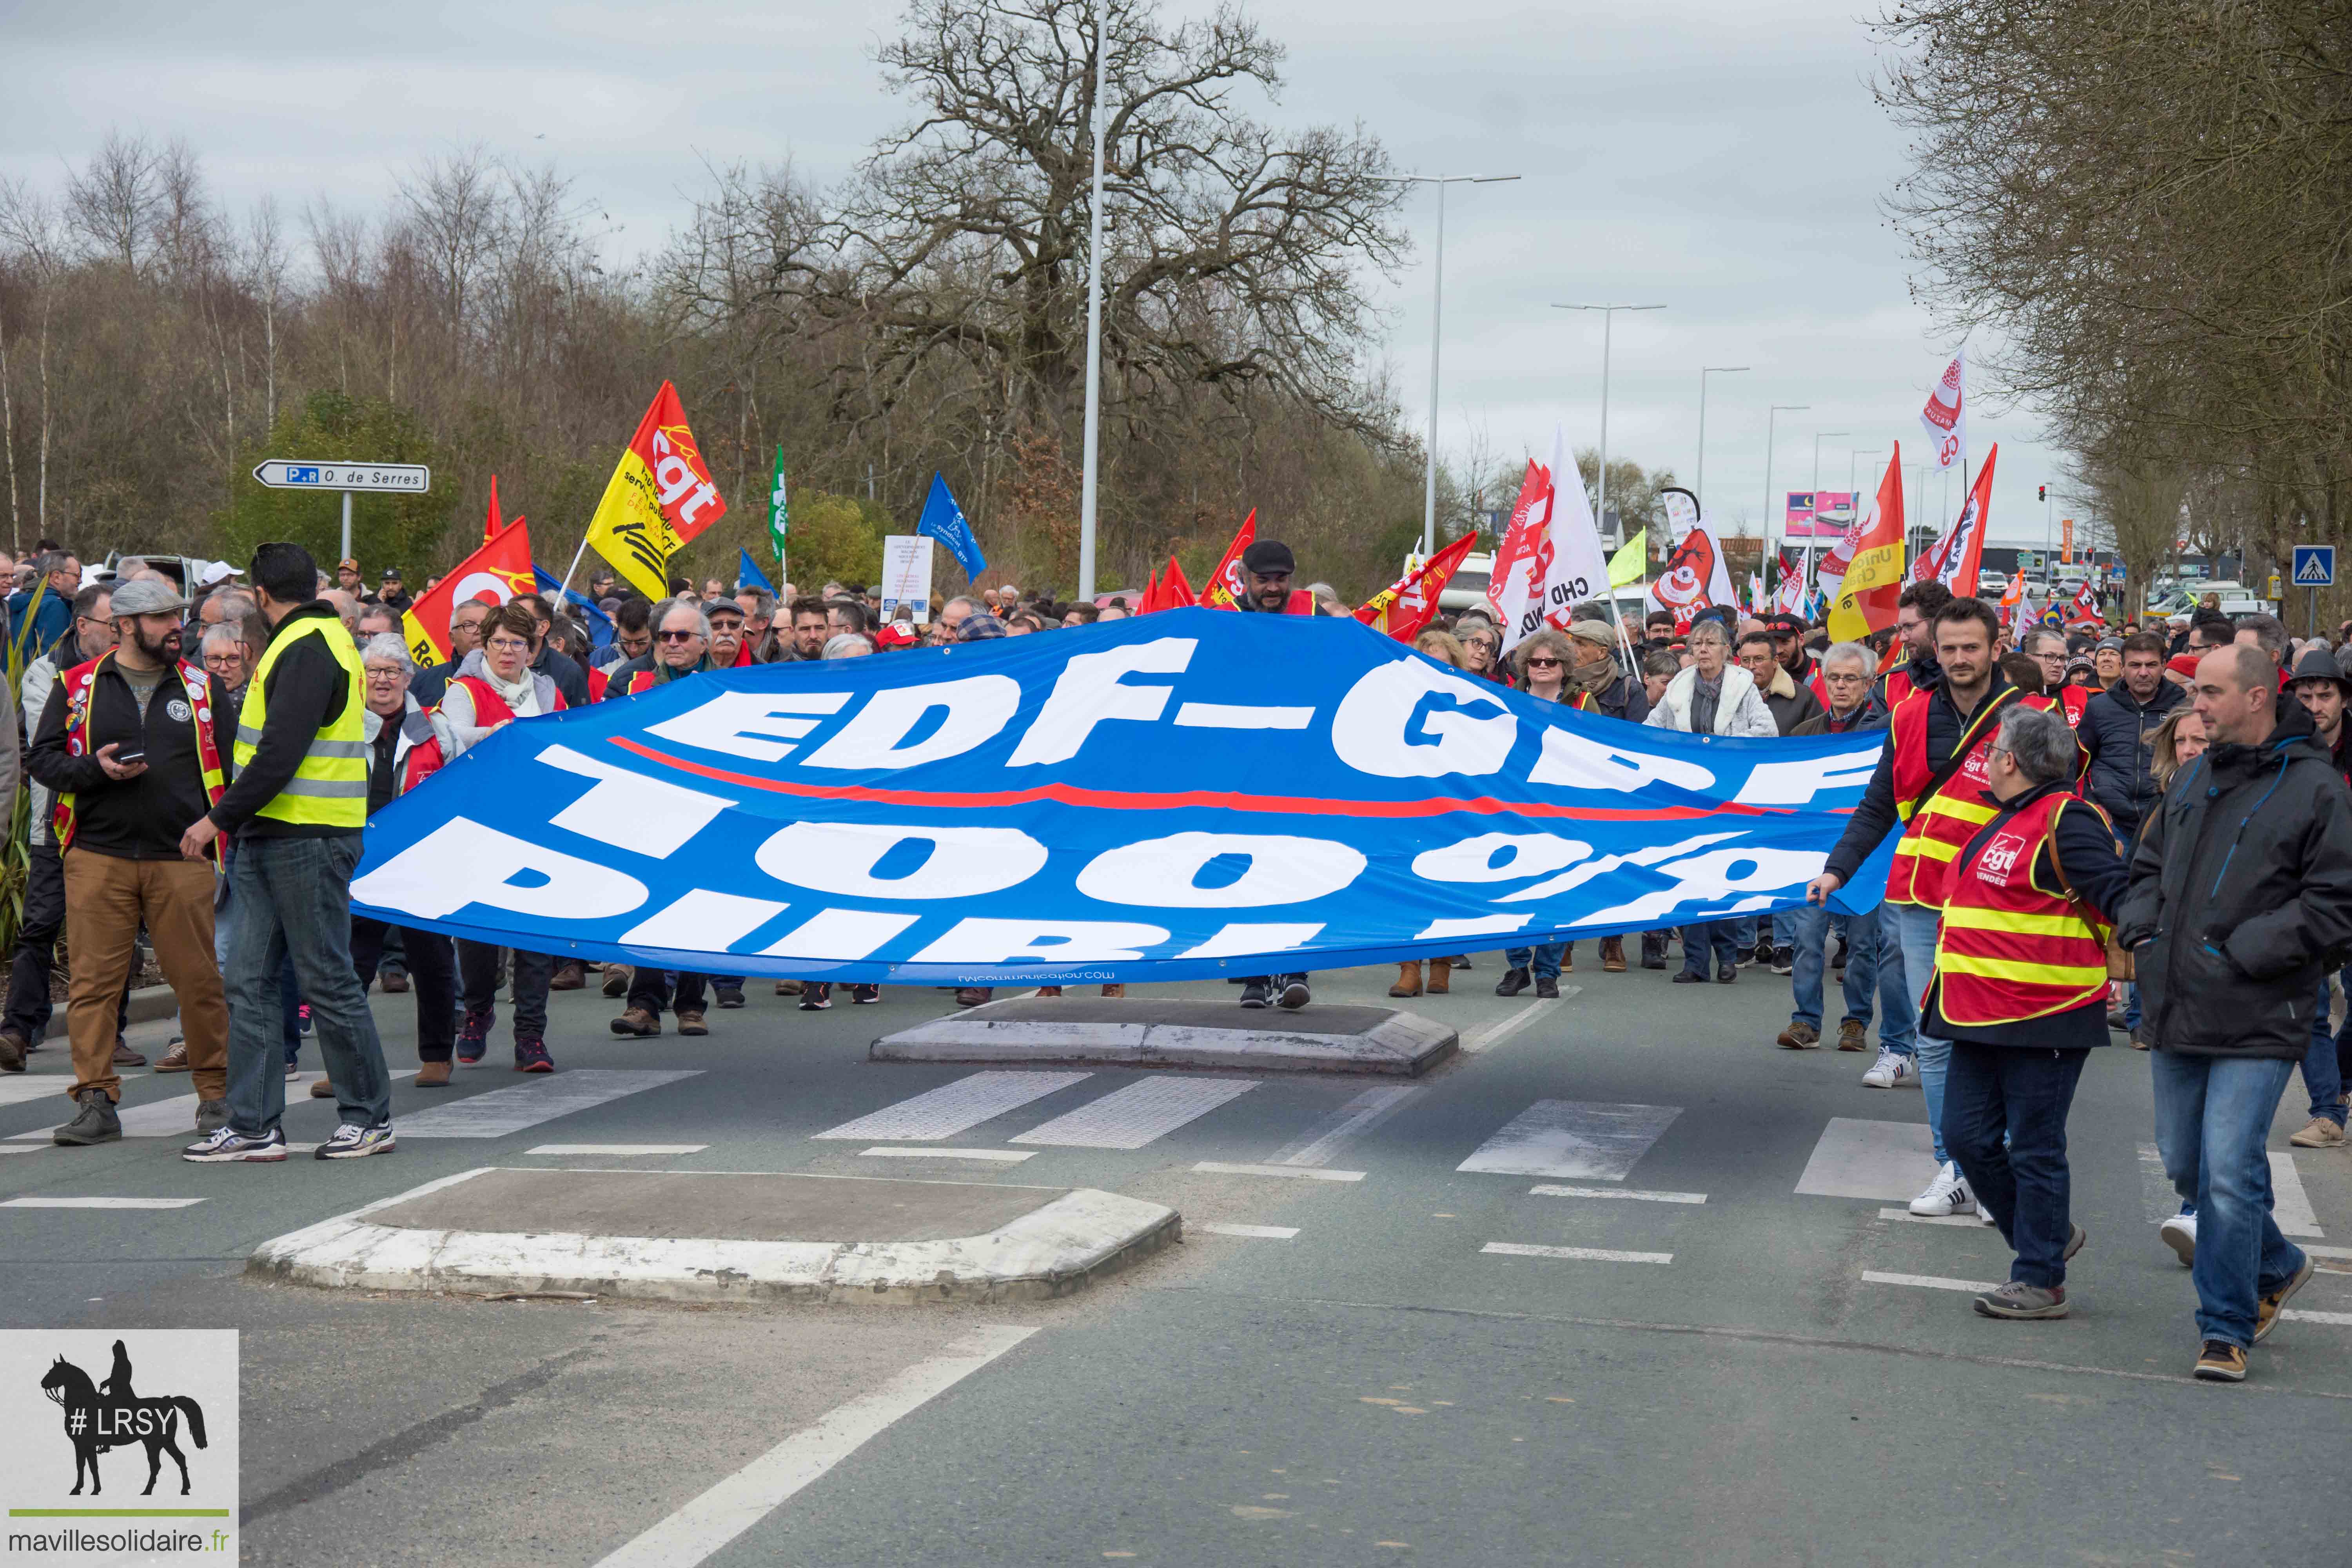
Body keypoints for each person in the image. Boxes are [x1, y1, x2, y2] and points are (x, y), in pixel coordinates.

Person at [2116, 643, 2352, 1381]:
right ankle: (2277, 1262)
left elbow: (2335, 905)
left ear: (2257, 697)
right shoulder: (2192, 775)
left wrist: (2245, 950)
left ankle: (2226, 1326)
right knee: (2188, 1164)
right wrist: (2145, 933)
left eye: (2212, 693)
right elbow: (2149, 867)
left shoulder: (2318, 788)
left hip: (2260, 1007)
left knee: (2228, 1168)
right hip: (2178, 1000)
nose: (2198, 706)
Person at [179, 541, 397, 1164]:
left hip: (306, 836)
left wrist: (216, 819)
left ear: (261, 594)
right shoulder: (311, 641)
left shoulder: (307, 647)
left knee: (325, 980)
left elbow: (281, 751)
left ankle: (367, 1116)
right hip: (277, 834)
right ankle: (253, 1124)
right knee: (247, 981)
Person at [1809, 596, 2022, 1217]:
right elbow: (1879, 803)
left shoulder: (2028, 717)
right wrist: (1838, 868)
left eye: (1971, 648)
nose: (1959, 658)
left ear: (1995, 648)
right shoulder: (1909, 714)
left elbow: (2053, 809)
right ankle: (1953, 1166)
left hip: (1999, 903)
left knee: (1993, 1037)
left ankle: (1993, 1165)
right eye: (1949, 647)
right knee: (1934, 1039)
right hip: (1919, 897)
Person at [1922, 704, 2126, 1319]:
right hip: (1977, 1012)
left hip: (2046, 1014)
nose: (1984, 760)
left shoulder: (2069, 819)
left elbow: (2120, 895)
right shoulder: (2008, 817)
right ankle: (2049, 1237)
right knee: (1965, 1137)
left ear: (2010, 760)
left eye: (1991, 751)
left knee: (2036, 1149)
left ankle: (2040, 1277)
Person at [26, 582, 231, 1142]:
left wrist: (214, 827)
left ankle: (215, 1097)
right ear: (122, 626)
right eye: (162, 618)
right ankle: (96, 1101)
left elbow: (234, 770)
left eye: (177, 616)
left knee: (199, 982)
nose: (177, 628)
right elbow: (41, 760)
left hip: (182, 857)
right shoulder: (76, 688)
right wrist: (93, 769)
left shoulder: (202, 687)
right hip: (97, 857)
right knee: (94, 984)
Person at [439, 604, 564, 1072]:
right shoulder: (465, 690)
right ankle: (477, 1010)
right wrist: (491, 735)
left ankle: (531, 1036)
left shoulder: (549, 695)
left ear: (532, 650)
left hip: (537, 828)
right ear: (483, 645)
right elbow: (446, 739)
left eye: (519, 643)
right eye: (499, 642)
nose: (509, 651)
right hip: (478, 826)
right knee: (476, 936)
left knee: (533, 935)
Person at [341, 635, 459, 1086]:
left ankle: (436, 1056)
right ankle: (347, 1063)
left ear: (408, 678)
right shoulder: (342, 726)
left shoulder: (436, 728)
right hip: (357, 858)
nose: (382, 680)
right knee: (350, 964)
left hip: (419, 863)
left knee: (431, 960)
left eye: (392, 671)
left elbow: (455, 793)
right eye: (373, 671)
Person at [0, 584, 107, 1072]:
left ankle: (116, 1032)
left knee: (114, 931)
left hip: (113, 824)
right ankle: (18, 1029)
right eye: (112, 625)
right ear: (83, 625)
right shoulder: (46, 671)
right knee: (39, 926)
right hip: (54, 822)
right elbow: (57, 740)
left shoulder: (134, 672)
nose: (119, 633)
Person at [1779, 642, 1903, 1055]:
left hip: (1866, 856)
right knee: (1807, 938)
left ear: (1869, 683)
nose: (1841, 686)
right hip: (1815, 856)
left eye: (1851, 678)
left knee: (1864, 945)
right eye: (1833, 677)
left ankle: (1855, 1022)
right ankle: (1805, 1020)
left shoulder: (1885, 731)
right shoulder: (1804, 735)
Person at [1646, 621, 1776, 984]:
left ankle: (1727, 958)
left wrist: (1718, 748)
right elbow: (1652, 729)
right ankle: (1694, 963)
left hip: (1730, 794)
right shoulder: (1679, 687)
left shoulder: (1744, 687)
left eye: (1711, 644)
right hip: (1687, 796)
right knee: (1690, 878)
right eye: (1697, 643)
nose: (1703, 650)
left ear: (1725, 650)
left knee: (1722, 876)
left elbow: (1767, 732)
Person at [2281, 645, 2352, 1148]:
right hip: (2301, 891)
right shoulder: (2282, 748)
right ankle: (2328, 1113)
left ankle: (2340, 1084)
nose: (2314, 704)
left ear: (2342, 698)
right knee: (2310, 1006)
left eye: (2324, 694)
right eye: (2305, 695)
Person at [603, 599, 710, 697]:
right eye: (666, 636)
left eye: (683, 636)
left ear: (703, 644)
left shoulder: (724, 680)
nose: (672, 643)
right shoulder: (635, 683)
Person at [1877, 580, 1951, 708]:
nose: (1902, 638)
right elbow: (1870, 727)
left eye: (1909, 627)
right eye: (1900, 629)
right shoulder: (1890, 683)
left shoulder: (1973, 677)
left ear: (1938, 623)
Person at [410, 598, 492, 708]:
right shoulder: (422, 682)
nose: (480, 631)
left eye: (486, 624)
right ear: (452, 639)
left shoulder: (515, 676)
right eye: (469, 625)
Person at [9, 549, 80, 664]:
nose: (80, 581)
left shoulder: (26, 600)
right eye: (77, 576)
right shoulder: (53, 606)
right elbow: (53, 659)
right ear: (57, 577)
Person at [1233, 540, 1316, 615]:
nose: (1273, 589)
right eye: (1263, 581)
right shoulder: (1226, 617)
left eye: (1281, 580)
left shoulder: (1311, 613)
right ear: (1245, 577)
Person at [781, 596, 829, 661]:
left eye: (819, 628)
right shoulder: (781, 668)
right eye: (805, 629)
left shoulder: (843, 664)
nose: (813, 636)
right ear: (793, 631)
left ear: (829, 629)